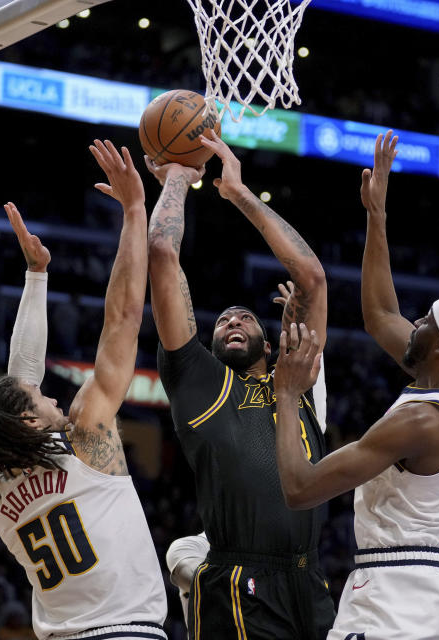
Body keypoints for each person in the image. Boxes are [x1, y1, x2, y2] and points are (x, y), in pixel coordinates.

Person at [271, 131, 439, 640]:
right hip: (412, 584)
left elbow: (300, 488)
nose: (413, 322)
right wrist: (377, 216)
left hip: (395, 594)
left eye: (425, 322)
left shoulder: (420, 422)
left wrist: (287, 393)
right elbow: (379, 315)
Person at [0, 140, 167, 640]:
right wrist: (135, 212)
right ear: (29, 422)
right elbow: (122, 320)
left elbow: (21, 383)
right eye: (42, 401)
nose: (52, 396)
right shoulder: (87, 442)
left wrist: (37, 276)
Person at [146, 129, 335, 639]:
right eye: (223, 320)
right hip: (238, 580)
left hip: (308, 579)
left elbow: (313, 279)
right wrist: (180, 179)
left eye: (245, 318)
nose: (232, 320)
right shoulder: (200, 384)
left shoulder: (297, 381)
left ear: (271, 344)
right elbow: (162, 253)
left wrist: (239, 193)